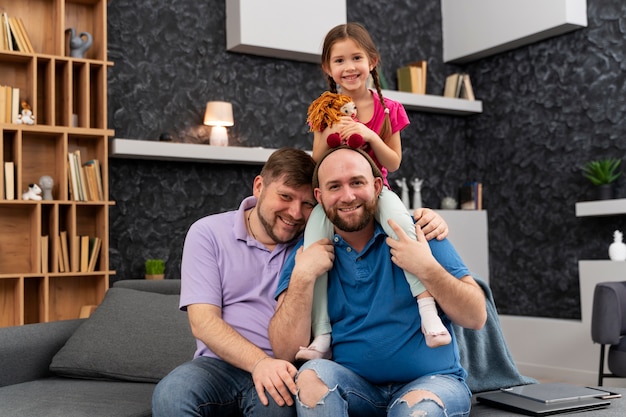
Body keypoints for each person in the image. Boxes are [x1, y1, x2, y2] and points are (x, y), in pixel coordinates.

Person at [151, 147, 449, 417]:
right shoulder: (208, 233)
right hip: (217, 365)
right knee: (172, 395)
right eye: (285, 197)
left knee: (277, 409)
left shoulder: (316, 243)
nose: (295, 213)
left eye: (307, 204)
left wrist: (425, 218)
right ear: (259, 187)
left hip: (287, 368)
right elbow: (203, 323)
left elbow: (364, 205)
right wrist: (259, 363)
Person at [269, 146, 487, 417]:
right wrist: (302, 276)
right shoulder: (306, 252)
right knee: (312, 378)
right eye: (334, 186)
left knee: (418, 411)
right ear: (320, 196)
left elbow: (476, 316)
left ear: (376, 186)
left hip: (432, 383)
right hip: (356, 386)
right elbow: (285, 350)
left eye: (357, 182)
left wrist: (427, 267)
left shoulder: (417, 232)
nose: (348, 196)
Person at [299, 22, 450, 362]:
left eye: (356, 58)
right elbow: (318, 163)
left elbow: (393, 162)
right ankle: (322, 333)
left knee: (402, 228)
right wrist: (331, 130)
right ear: (328, 68)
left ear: (372, 61)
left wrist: (368, 136)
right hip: (336, 196)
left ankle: (427, 311)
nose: (348, 67)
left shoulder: (388, 108)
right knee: (312, 247)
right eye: (339, 61)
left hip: (375, 192)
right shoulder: (324, 110)